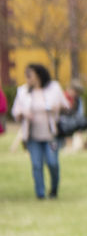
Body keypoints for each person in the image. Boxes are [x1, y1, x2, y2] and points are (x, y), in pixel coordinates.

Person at [12, 63, 70, 199]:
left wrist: (56, 107)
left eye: (30, 75)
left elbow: (66, 106)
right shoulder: (23, 91)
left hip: (51, 134)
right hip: (32, 135)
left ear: (39, 75)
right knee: (36, 164)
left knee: (52, 162)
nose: (28, 79)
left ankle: (54, 190)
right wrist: (23, 114)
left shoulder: (53, 88)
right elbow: (15, 112)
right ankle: (40, 193)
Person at [58, 80, 87, 148]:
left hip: (76, 121)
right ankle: (68, 144)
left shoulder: (78, 99)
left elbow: (80, 114)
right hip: (64, 123)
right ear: (69, 89)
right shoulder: (61, 97)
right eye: (75, 91)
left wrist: (79, 127)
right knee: (68, 125)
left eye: (77, 92)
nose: (76, 94)